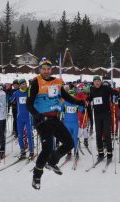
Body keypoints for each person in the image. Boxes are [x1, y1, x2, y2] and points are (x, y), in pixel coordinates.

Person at [26, 58, 84, 190]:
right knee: (47, 148)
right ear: (40, 69)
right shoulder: (35, 83)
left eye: (48, 69)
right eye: (43, 69)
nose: (46, 71)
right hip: (41, 120)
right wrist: (37, 115)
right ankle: (36, 176)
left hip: (54, 119)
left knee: (69, 143)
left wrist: (79, 102)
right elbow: (28, 104)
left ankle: (52, 161)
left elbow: (66, 96)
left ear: (51, 69)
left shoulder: (57, 82)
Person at [87, 75, 119, 162]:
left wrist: (117, 94)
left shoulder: (106, 88)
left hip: (106, 114)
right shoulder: (92, 89)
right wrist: (87, 99)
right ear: (93, 82)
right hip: (97, 115)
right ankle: (100, 153)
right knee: (98, 135)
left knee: (107, 134)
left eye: (98, 81)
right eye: (95, 81)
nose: (97, 82)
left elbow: (114, 92)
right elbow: (90, 98)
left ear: (101, 82)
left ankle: (109, 153)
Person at [10, 79, 35, 160]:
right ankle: (22, 151)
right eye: (23, 84)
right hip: (19, 117)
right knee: (20, 136)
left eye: (25, 84)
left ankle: (31, 151)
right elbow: (11, 101)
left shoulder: (29, 92)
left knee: (29, 135)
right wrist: (12, 101)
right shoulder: (16, 93)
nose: (24, 85)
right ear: (20, 85)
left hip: (28, 117)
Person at [61, 89, 84, 159]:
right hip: (67, 123)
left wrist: (83, 105)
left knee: (75, 138)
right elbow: (60, 109)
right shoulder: (65, 102)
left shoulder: (76, 102)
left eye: (72, 96)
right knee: (68, 138)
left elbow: (81, 109)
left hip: (75, 123)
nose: (71, 97)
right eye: (70, 96)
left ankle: (76, 151)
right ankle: (69, 151)